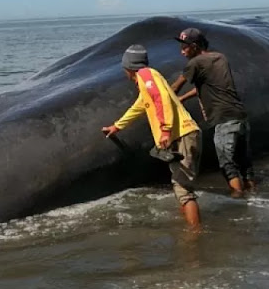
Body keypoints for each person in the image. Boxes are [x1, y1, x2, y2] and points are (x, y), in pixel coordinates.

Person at [101, 44, 203, 228]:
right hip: (183, 136)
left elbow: (160, 98)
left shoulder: (146, 74)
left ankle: (194, 236)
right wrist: (116, 127)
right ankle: (190, 227)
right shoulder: (146, 83)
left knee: (183, 188)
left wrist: (165, 129)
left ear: (128, 67)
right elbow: (138, 107)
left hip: (182, 135)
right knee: (181, 185)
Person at [171, 28, 256, 197]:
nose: (182, 51)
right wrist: (184, 99)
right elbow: (210, 86)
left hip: (223, 119)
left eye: (184, 47)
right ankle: (254, 196)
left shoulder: (195, 63)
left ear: (194, 46)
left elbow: (174, 87)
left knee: (227, 165)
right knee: (244, 164)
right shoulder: (220, 58)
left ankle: (239, 202)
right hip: (240, 116)